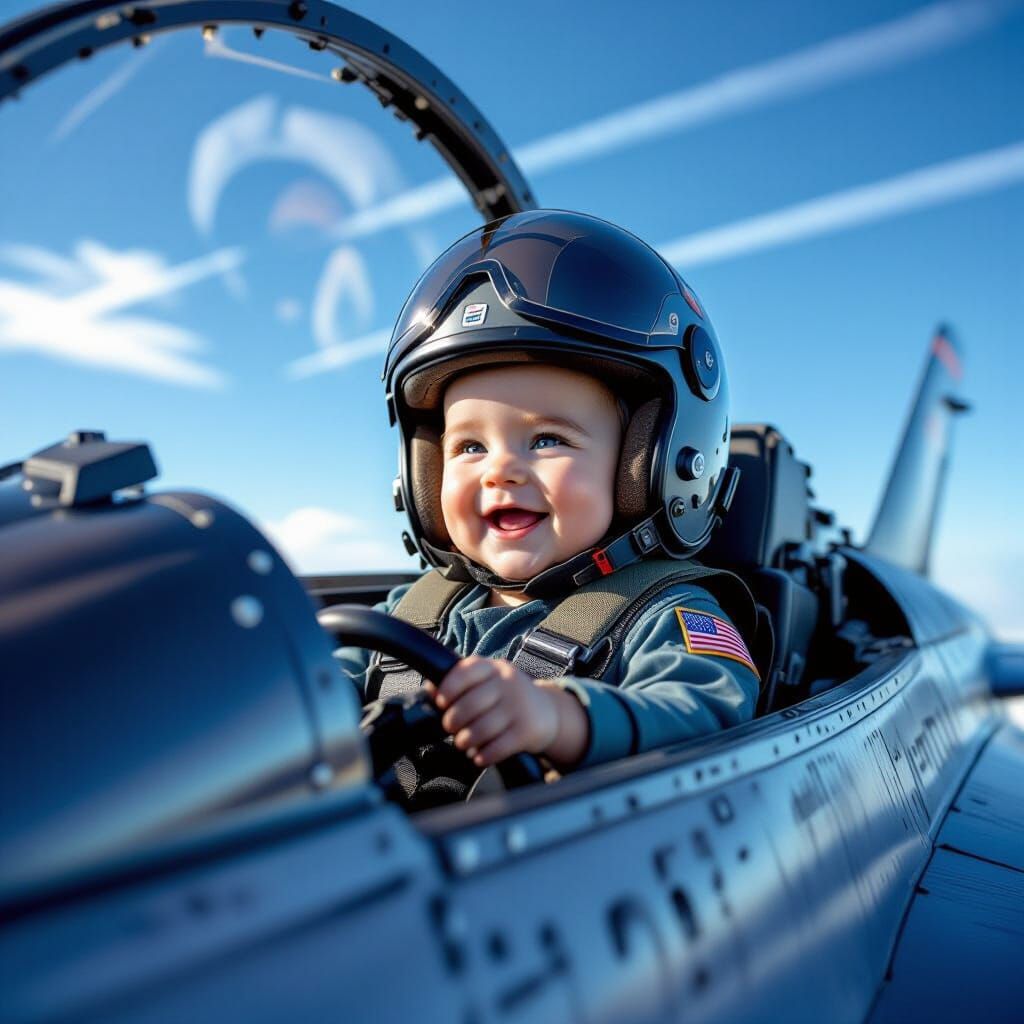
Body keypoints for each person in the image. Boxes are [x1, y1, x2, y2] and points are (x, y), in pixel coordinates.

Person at [337, 209, 759, 808]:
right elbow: (318, 688)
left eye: (546, 440)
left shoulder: (667, 614)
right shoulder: (408, 612)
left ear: (647, 465)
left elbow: (711, 707)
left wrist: (560, 719)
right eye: (470, 447)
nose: (500, 470)